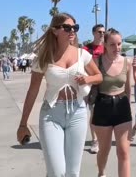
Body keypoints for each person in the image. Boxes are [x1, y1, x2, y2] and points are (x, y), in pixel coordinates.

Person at [16, 13, 102, 177]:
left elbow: (99, 77)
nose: (72, 31)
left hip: (78, 112)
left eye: (75, 28)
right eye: (67, 28)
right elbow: (33, 90)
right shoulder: (44, 57)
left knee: (72, 173)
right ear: (55, 30)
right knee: (56, 172)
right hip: (51, 114)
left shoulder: (81, 54)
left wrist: (87, 79)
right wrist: (23, 123)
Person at [92, 28, 132, 177]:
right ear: (105, 45)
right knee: (105, 149)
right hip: (103, 106)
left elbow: (128, 88)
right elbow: (89, 83)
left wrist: (129, 109)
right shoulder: (97, 61)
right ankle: (101, 172)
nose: (117, 48)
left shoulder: (127, 63)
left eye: (119, 44)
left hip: (122, 107)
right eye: (113, 44)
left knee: (123, 151)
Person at [82, 23, 105, 154]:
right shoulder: (86, 49)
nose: (102, 34)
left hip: (105, 84)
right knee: (93, 113)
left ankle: (102, 137)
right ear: (93, 33)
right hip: (92, 85)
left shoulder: (106, 48)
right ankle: (94, 140)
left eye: (103, 32)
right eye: (99, 32)